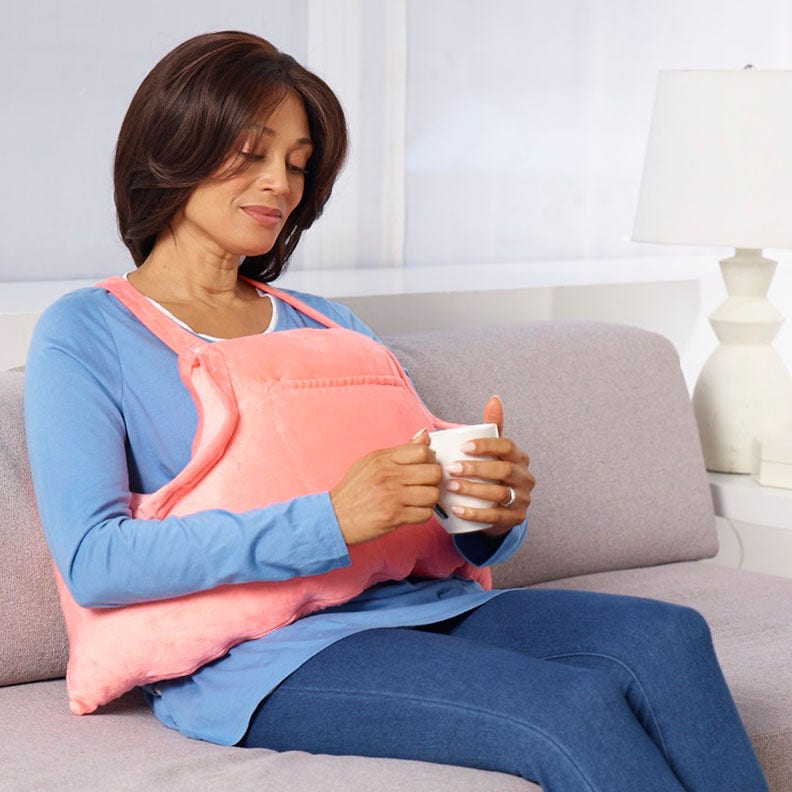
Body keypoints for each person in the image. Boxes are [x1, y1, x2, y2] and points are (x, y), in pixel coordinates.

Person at [24, 31, 767, 791]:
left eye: (298, 163)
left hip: (423, 605)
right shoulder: (89, 330)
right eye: (252, 153)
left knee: (671, 636)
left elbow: (425, 512)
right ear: (175, 146)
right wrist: (332, 519)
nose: (280, 183)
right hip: (269, 653)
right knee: (569, 705)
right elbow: (95, 561)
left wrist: (486, 511)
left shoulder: (329, 323)